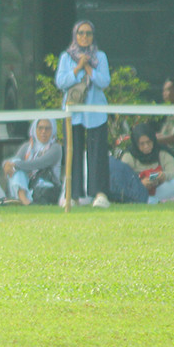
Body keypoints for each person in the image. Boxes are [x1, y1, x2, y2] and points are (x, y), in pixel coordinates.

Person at [55, 20, 111, 208]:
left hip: (95, 112)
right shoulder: (66, 57)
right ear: (75, 35)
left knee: (97, 153)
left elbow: (104, 82)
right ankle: (73, 195)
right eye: (81, 33)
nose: (84, 37)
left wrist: (89, 69)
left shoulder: (100, 56)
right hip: (74, 112)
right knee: (73, 152)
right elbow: (61, 82)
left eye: (88, 33)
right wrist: (78, 67)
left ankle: (100, 194)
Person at [121, 123, 174, 203]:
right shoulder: (129, 156)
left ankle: (151, 201)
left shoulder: (162, 152)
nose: (146, 146)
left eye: (149, 142)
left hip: (158, 188)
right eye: (142, 144)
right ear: (136, 144)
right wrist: (140, 184)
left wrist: (163, 175)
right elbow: (122, 178)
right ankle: (152, 200)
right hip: (138, 190)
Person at [2, 118, 62, 205]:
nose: (43, 131)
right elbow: (15, 161)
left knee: (17, 164)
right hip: (28, 183)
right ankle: (23, 197)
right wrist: (6, 165)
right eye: (40, 128)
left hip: (44, 186)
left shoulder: (55, 148)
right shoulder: (28, 146)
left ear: (53, 130)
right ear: (35, 129)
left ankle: (22, 198)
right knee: (16, 162)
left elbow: (38, 163)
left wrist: (14, 165)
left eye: (47, 128)